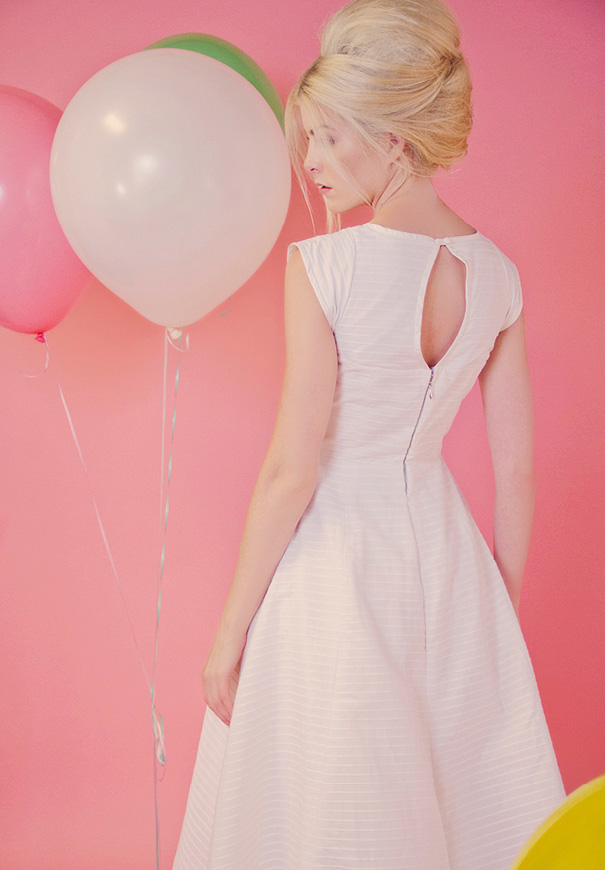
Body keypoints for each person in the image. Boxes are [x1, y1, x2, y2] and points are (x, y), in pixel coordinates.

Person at [173, 1, 566, 867]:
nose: (310, 160)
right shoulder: (498, 276)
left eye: (327, 137)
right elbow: (516, 470)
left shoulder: (325, 266)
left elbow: (292, 469)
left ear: (392, 140)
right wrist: (493, 603)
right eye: (307, 138)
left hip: (336, 559)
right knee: (457, 799)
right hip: (447, 554)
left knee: (331, 794)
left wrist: (228, 636)